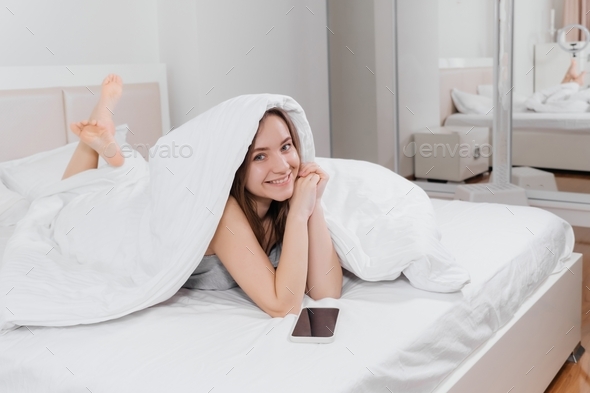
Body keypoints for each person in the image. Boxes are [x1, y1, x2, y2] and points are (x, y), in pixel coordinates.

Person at [61, 74, 343, 318]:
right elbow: (283, 306)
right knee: (69, 205)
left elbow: (326, 291)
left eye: (286, 147)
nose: (282, 167)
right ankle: (94, 140)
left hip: (145, 202)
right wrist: (298, 215)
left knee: (128, 182)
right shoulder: (222, 214)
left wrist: (312, 202)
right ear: (235, 164)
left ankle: (111, 152)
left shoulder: (284, 199)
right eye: (259, 156)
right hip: (129, 227)